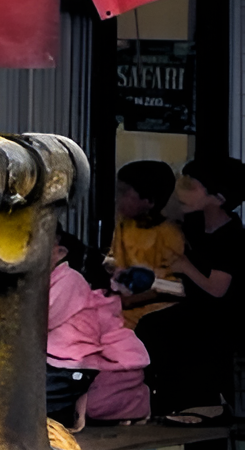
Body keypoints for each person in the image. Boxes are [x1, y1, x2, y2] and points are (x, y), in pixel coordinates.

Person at [138, 154, 245, 422]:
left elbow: (217, 289)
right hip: (192, 305)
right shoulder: (192, 227)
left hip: (220, 315)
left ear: (218, 197)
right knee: (148, 324)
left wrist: (186, 267)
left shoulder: (232, 236)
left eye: (191, 186)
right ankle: (161, 399)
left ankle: (204, 403)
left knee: (168, 330)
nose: (182, 192)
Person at [46, 231, 151, 428]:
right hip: (91, 363)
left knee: (94, 406)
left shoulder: (71, 281)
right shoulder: (86, 292)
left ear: (60, 253)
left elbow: (42, 321)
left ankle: (138, 403)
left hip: (105, 365)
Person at [107, 160, 183, 326]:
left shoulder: (170, 235)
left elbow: (177, 287)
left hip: (153, 318)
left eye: (123, 193)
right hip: (120, 311)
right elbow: (115, 259)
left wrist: (132, 300)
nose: (117, 198)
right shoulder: (124, 224)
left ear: (149, 200)